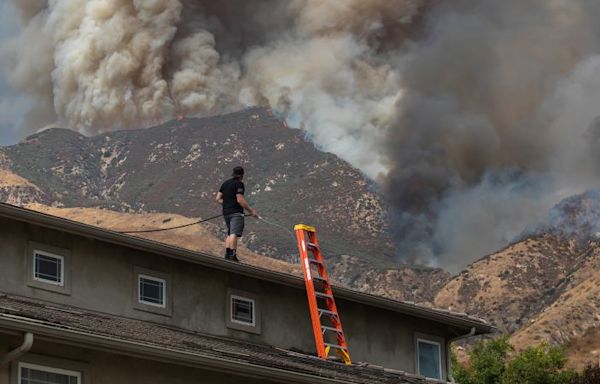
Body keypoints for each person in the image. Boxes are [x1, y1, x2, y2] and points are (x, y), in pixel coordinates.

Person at [215, 166, 257, 261]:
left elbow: (217, 199)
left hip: (226, 212)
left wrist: (227, 203)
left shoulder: (225, 183)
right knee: (234, 233)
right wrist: (251, 211)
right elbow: (240, 199)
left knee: (230, 233)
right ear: (242, 175)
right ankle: (232, 255)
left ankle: (227, 254)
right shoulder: (239, 184)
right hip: (236, 212)